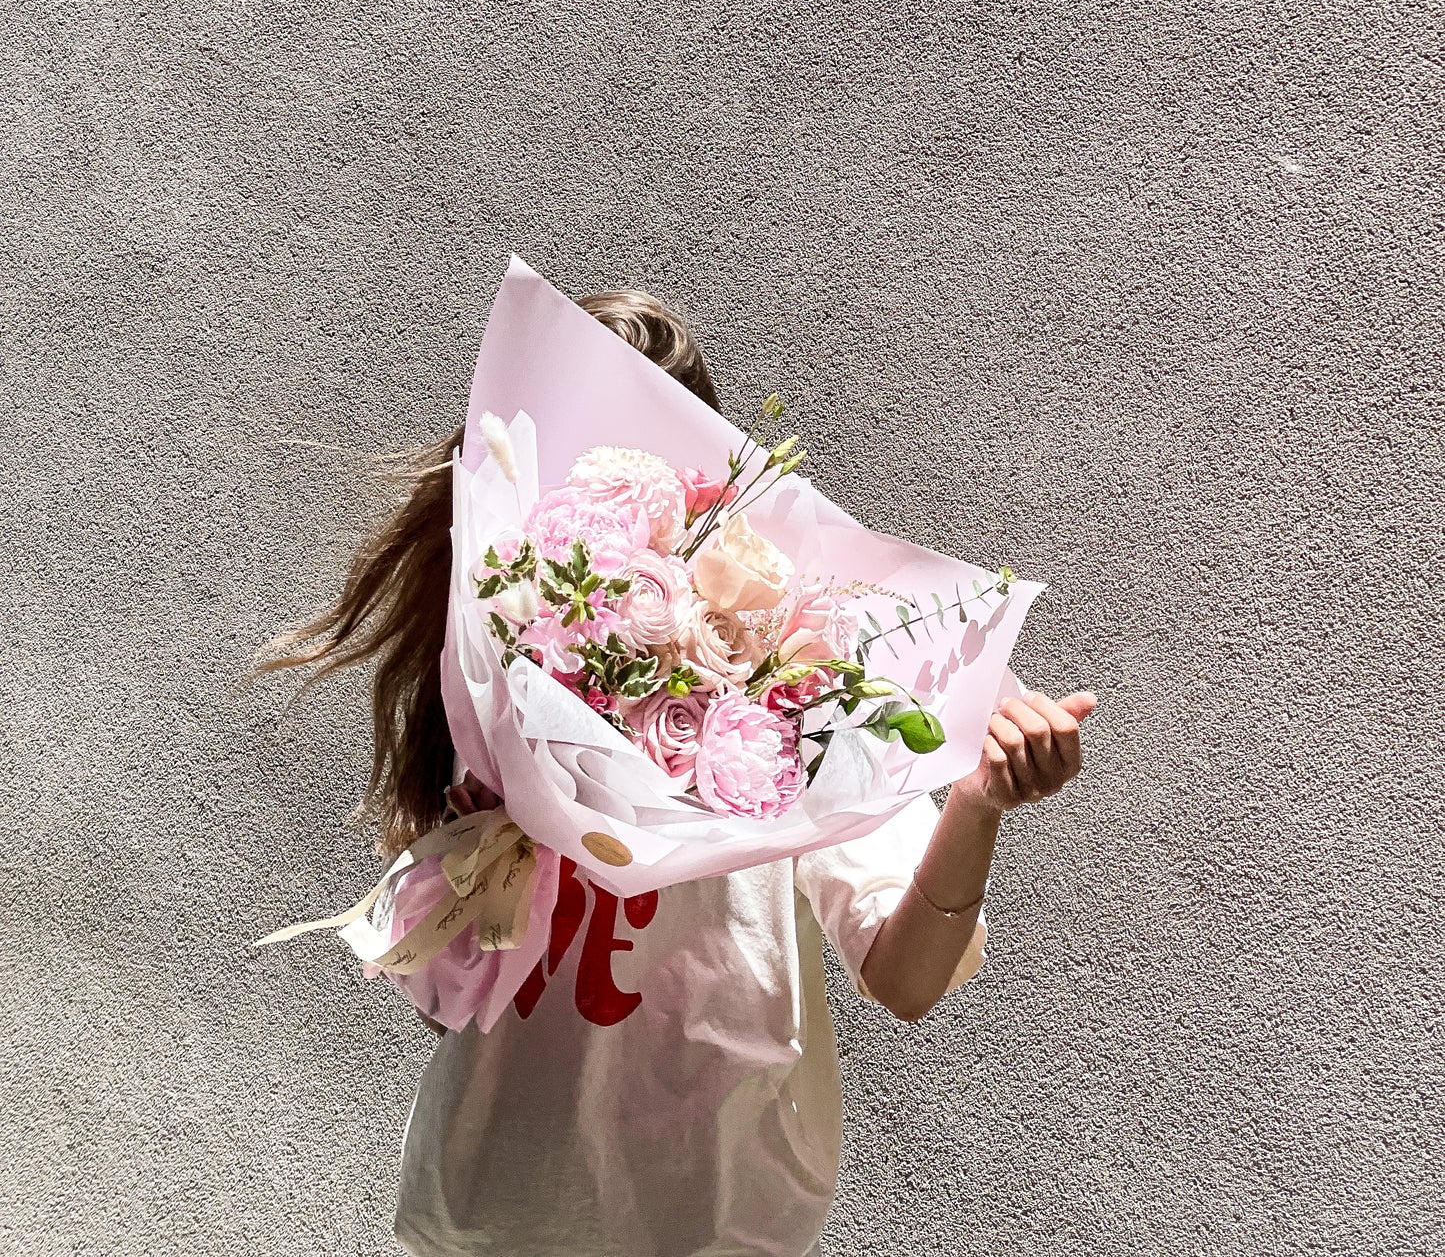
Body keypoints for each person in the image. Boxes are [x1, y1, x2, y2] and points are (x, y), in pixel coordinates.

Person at [258, 288, 1097, 1257]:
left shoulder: (800, 674)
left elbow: (905, 977)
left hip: (716, 1221)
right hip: (500, 1214)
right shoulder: (487, 659)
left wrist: (975, 803)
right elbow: (447, 979)